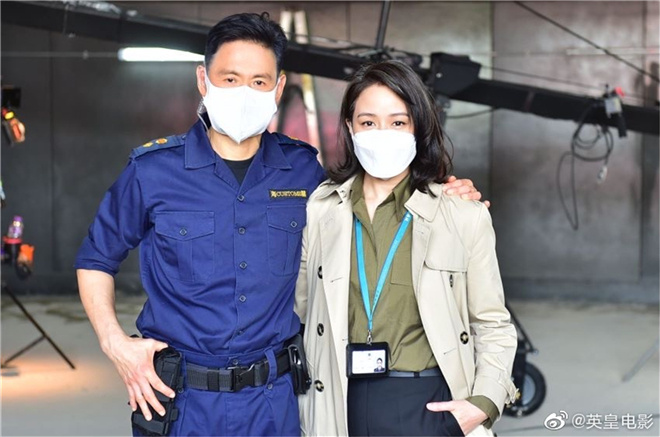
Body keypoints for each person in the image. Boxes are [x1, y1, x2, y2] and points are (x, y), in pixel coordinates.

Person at [75, 12, 484, 436]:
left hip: (275, 401)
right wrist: (115, 343)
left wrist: (447, 194)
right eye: (230, 79)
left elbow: (376, 198)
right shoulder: (153, 171)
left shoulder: (303, 170)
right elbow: (95, 259)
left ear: (279, 87)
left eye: (259, 81)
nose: (244, 92)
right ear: (203, 80)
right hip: (181, 401)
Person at [295, 60, 518, 437]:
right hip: (340, 399)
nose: (382, 134)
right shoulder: (320, 210)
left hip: (428, 402)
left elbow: (491, 322)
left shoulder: (462, 215)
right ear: (350, 127)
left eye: (398, 122)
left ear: (418, 126)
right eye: (368, 122)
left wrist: (482, 403)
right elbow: (298, 310)